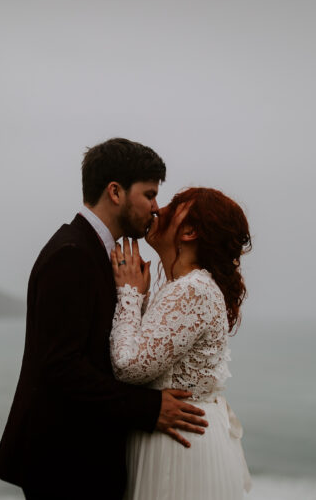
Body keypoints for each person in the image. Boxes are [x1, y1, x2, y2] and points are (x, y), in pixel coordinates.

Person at [0, 138, 209, 500]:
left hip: (84, 458)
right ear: (115, 192)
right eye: (149, 194)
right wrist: (149, 408)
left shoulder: (102, 254)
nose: (157, 208)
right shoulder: (71, 254)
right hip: (65, 464)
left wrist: (134, 298)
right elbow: (61, 366)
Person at [110, 187, 252, 499]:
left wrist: (130, 296)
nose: (158, 209)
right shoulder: (182, 287)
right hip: (180, 435)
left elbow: (128, 366)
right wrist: (143, 298)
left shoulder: (192, 290)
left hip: (179, 447)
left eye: (174, 206)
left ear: (189, 231)